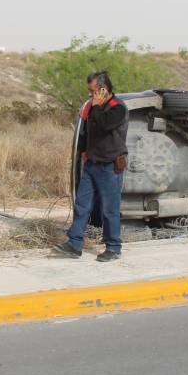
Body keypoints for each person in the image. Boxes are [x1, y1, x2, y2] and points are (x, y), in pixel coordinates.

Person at [54, 71, 128, 262]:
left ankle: (113, 247)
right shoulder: (92, 108)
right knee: (82, 205)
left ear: (103, 90)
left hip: (110, 167)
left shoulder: (117, 108)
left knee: (110, 209)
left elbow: (104, 126)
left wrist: (96, 107)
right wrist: (83, 152)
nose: (90, 95)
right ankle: (74, 244)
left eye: (92, 91)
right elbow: (87, 132)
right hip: (92, 165)